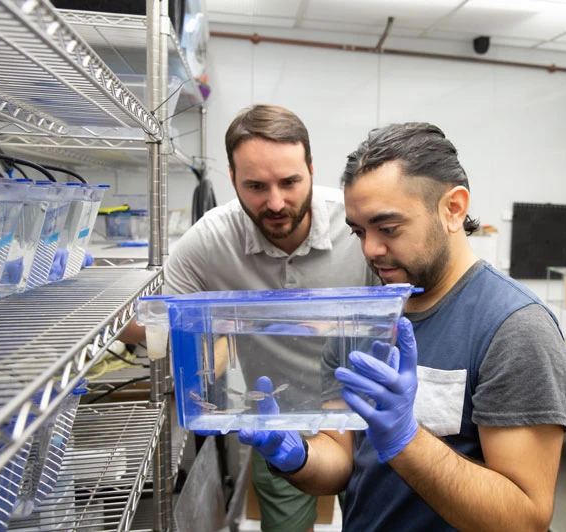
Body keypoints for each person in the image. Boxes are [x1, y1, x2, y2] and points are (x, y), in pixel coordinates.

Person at [238, 122, 566, 531]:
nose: (370, 249)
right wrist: (296, 456)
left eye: (388, 228)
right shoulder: (361, 320)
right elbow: (341, 459)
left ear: (453, 209)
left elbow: (524, 520)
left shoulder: (514, 328)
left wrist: (405, 440)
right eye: (359, 232)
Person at [122, 104, 376, 532]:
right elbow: (157, 321)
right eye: (256, 186)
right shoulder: (211, 239)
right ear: (232, 177)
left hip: (365, 413)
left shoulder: (356, 225)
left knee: (374, 520)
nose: (275, 202)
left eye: (290, 182)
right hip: (280, 421)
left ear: (312, 168)